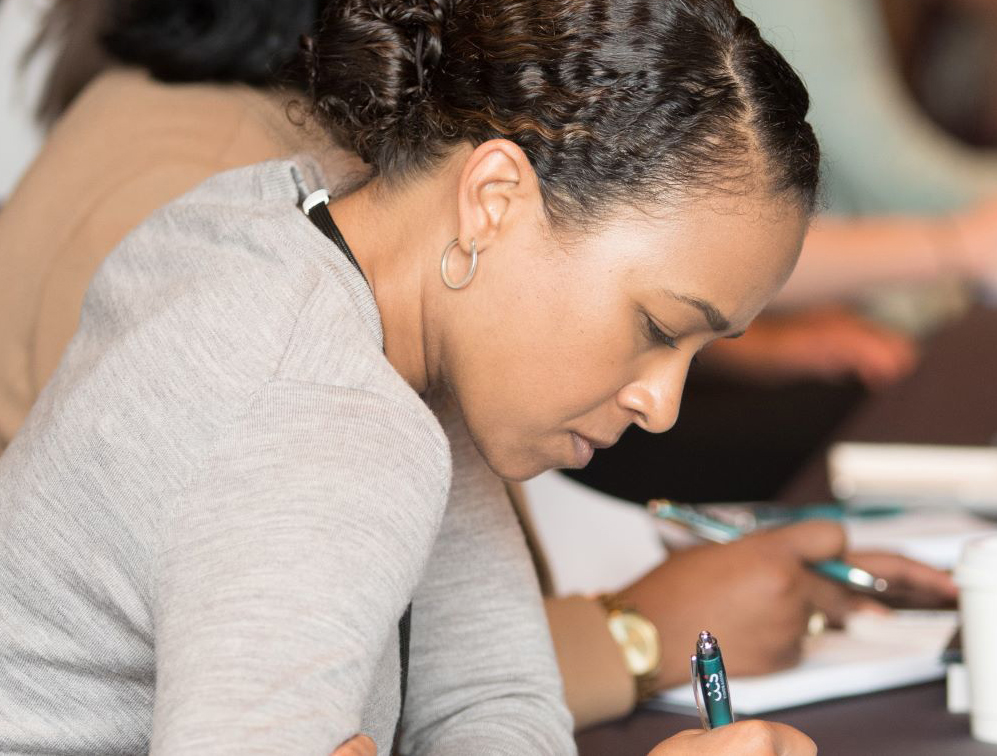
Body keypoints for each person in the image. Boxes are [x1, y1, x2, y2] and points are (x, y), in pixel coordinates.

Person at [0, 0, 836, 752]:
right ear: (494, 198)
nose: (662, 406)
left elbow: (490, 702)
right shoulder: (323, 420)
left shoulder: (305, 245)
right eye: (657, 327)